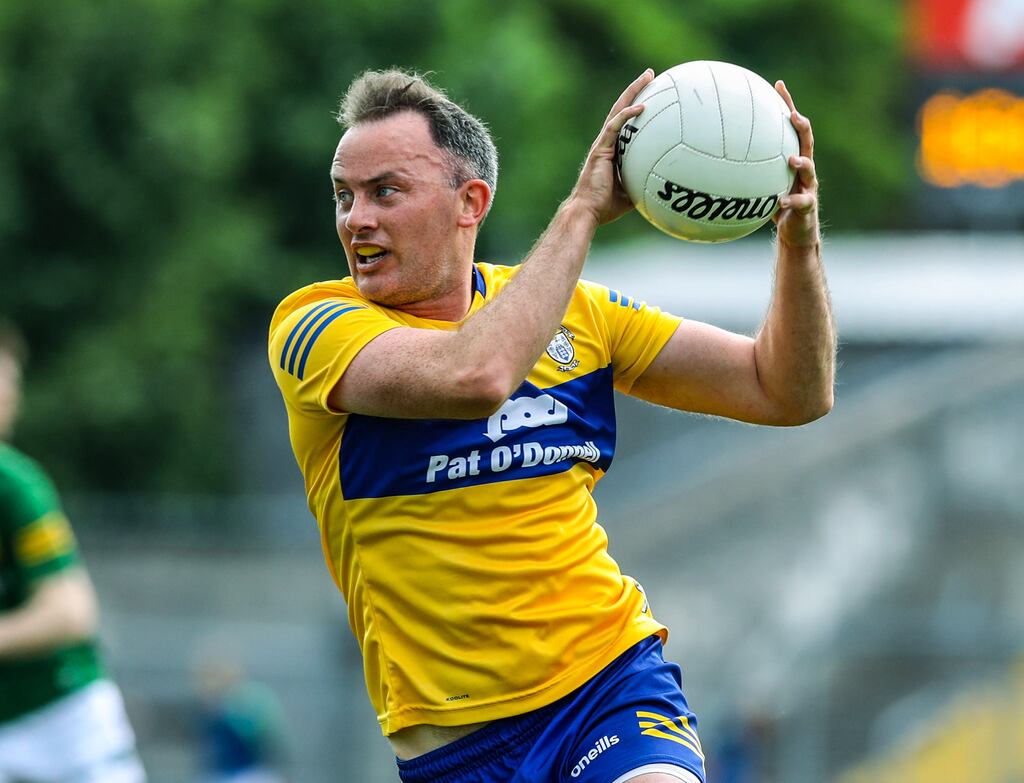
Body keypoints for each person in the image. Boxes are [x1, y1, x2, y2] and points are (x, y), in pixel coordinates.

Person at [268, 67, 834, 783]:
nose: (356, 218)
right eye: (343, 195)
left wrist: (799, 245)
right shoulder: (314, 326)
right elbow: (476, 376)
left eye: (385, 191)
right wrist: (583, 209)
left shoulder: (580, 314)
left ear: (470, 201)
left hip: (607, 686)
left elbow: (786, 390)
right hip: (457, 751)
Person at [0, 324, 147, 783]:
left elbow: (68, 612)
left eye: (11, 382)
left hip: (59, 718)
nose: (9, 397)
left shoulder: (14, 485)